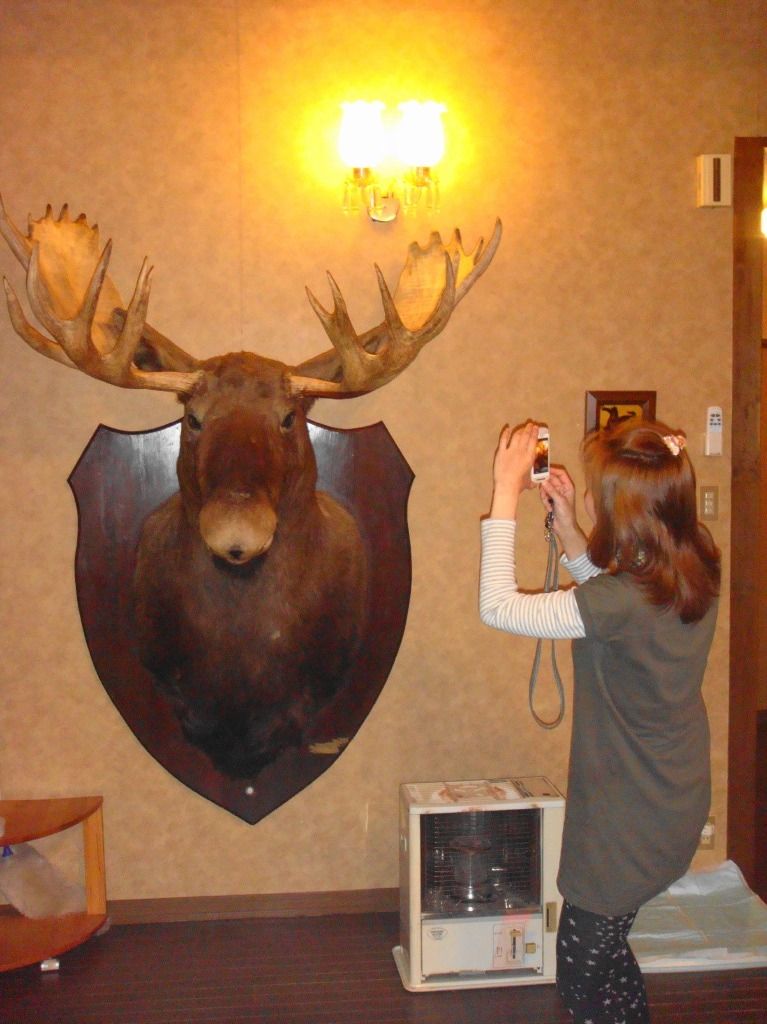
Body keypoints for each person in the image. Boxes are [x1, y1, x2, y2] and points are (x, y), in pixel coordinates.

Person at [479, 418, 720, 1024]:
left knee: (583, 978)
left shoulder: (622, 601)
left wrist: (504, 490)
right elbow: (618, 614)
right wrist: (567, 527)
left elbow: (497, 607)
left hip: (628, 818)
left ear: (623, 513)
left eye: (594, 490)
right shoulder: (692, 558)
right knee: (608, 954)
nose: (585, 492)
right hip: (670, 794)